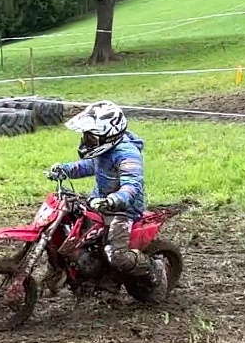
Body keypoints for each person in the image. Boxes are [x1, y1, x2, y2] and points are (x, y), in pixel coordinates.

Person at [47, 100, 168, 299]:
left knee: (116, 255)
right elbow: (89, 166)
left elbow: (132, 185)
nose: (86, 141)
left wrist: (113, 200)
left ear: (108, 135)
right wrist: (65, 169)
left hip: (123, 209)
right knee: (70, 229)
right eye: (86, 136)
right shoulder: (103, 151)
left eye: (90, 137)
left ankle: (153, 268)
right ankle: (74, 272)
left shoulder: (127, 154)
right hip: (99, 201)